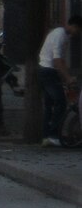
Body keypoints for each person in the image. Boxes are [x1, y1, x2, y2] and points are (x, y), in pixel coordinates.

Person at [37, 15, 82, 147]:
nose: (78, 33)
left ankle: (46, 137)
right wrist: (68, 79)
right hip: (48, 71)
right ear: (74, 26)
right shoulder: (59, 35)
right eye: (78, 30)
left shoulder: (64, 36)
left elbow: (61, 61)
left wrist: (65, 76)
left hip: (47, 70)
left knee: (49, 105)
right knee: (61, 102)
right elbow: (57, 61)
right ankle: (53, 135)